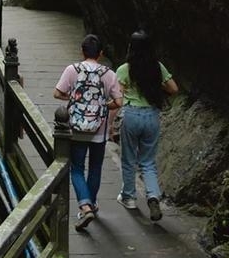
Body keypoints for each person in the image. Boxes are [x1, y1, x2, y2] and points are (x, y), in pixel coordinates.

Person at [54, 34, 123, 231]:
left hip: (76, 127)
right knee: (95, 168)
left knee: (76, 167)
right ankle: (90, 204)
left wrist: (74, 98)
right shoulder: (109, 74)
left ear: (82, 51)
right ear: (101, 54)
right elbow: (118, 102)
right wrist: (102, 104)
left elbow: (57, 92)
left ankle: (85, 206)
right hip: (98, 131)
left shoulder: (72, 70)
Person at [115, 30, 178, 221]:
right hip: (151, 115)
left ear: (130, 48)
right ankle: (152, 196)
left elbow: (119, 95)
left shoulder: (124, 69)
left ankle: (129, 197)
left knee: (129, 159)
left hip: (131, 114)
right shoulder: (157, 67)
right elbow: (174, 89)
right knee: (148, 161)